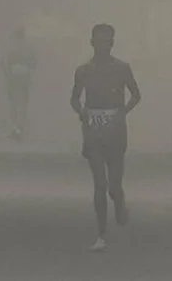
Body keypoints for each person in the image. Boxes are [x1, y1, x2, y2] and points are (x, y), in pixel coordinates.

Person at [71, 23, 141, 252]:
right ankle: (101, 234)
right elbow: (74, 98)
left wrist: (121, 113)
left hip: (116, 130)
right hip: (93, 129)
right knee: (99, 184)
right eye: (100, 42)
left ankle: (119, 202)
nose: (105, 46)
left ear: (113, 43)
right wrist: (83, 114)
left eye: (108, 41)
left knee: (113, 186)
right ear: (92, 43)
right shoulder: (83, 70)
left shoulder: (122, 68)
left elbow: (136, 95)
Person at [3, 26, 38, 141]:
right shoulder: (26, 50)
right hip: (20, 79)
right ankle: (18, 128)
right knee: (20, 104)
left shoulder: (13, 49)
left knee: (17, 103)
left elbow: (6, 64)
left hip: (17, 79)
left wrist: (9, 72)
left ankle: (17, 128)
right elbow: (34, 64)